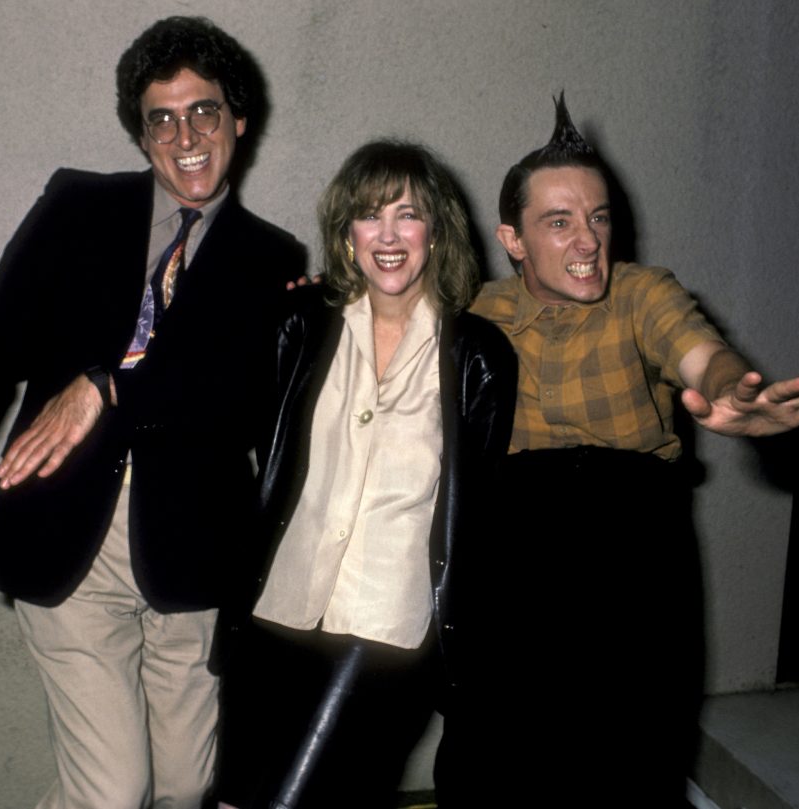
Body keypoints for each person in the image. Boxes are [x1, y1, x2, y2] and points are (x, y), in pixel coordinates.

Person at [0, 16, 305, 809]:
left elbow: (234, 394)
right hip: (64, 533)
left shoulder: (272, 259)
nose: (185, 137)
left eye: (203, 111)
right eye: (161, 120)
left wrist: (107, 385)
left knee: (186, 785)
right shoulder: (77, 207)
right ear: (142, 135)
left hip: (195, 551)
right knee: (114, 792)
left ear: (239, 118)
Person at [434, 95, 799, 806]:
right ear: (513, 238)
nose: (587, 241)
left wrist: (729, 388)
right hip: (515, 562)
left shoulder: (641, 293)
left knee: (631, 760)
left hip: (631, 556)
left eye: (598, 218)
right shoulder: (479, 311)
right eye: (559, 222)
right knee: (491, 756)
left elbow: (696, 350)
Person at [214, 140, 516, 809]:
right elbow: (247, 438)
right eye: (370, 214)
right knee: (235, 797)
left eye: (407, 214)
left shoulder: (477, 354)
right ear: (346, 233)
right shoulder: (300, 325)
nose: (388, 235)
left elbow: (480, 510)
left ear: (436, 231)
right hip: (276, 610)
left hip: (385, 628)